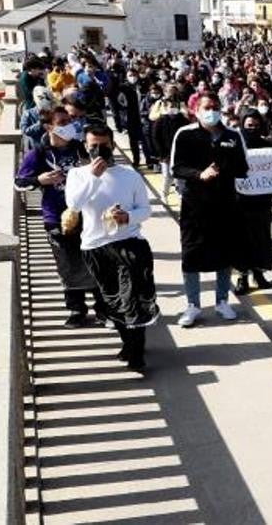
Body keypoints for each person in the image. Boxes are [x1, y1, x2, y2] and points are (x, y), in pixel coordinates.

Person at [65, 124, 158, 370]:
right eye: (93, 145)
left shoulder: (129, 174)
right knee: (111, 300)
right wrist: (94, 178)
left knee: (132, 299)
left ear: (112, 145)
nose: (98, 150)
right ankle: (128, 342)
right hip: (95, 246)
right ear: (86, 146)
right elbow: (74, 204)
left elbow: (146, 210)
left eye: (103, 145)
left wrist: (127, 216)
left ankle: (137, 352)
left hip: (129, 244)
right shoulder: (78, 175)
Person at [16, 108, 100, 327]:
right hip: (56, 217)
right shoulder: (38, 154)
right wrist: (39, 179)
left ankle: (103, 307)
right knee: (68, 263)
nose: (69, 124)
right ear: (49, 127)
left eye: (70, 120)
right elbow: (19, 183)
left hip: (87, 214)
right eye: (62, 121)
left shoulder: (80, 148)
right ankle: (76, 310)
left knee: (94, 259)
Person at [171, 93, 249, 327]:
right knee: (191, 255)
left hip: (225, 205)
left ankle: (222, 301)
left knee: (224, 255)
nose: (211, 111)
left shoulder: (233, 136)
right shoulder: (184, 135)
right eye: (207, 107)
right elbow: (177, 168)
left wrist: (223, 165)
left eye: (215, 107)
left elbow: (243, 168)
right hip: (194, 207)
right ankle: (193, 305)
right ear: (195, 109)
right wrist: (199, 174)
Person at [233, 111, 272, 295]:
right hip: (240, 201)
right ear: (242, 125)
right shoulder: (235, 146)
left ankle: (258, 273)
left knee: (261, 238)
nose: (252, 129)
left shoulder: (268, 146)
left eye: (256, 125)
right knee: (242, 239)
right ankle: (242, 276)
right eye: (249, 125)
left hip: (261, 201)